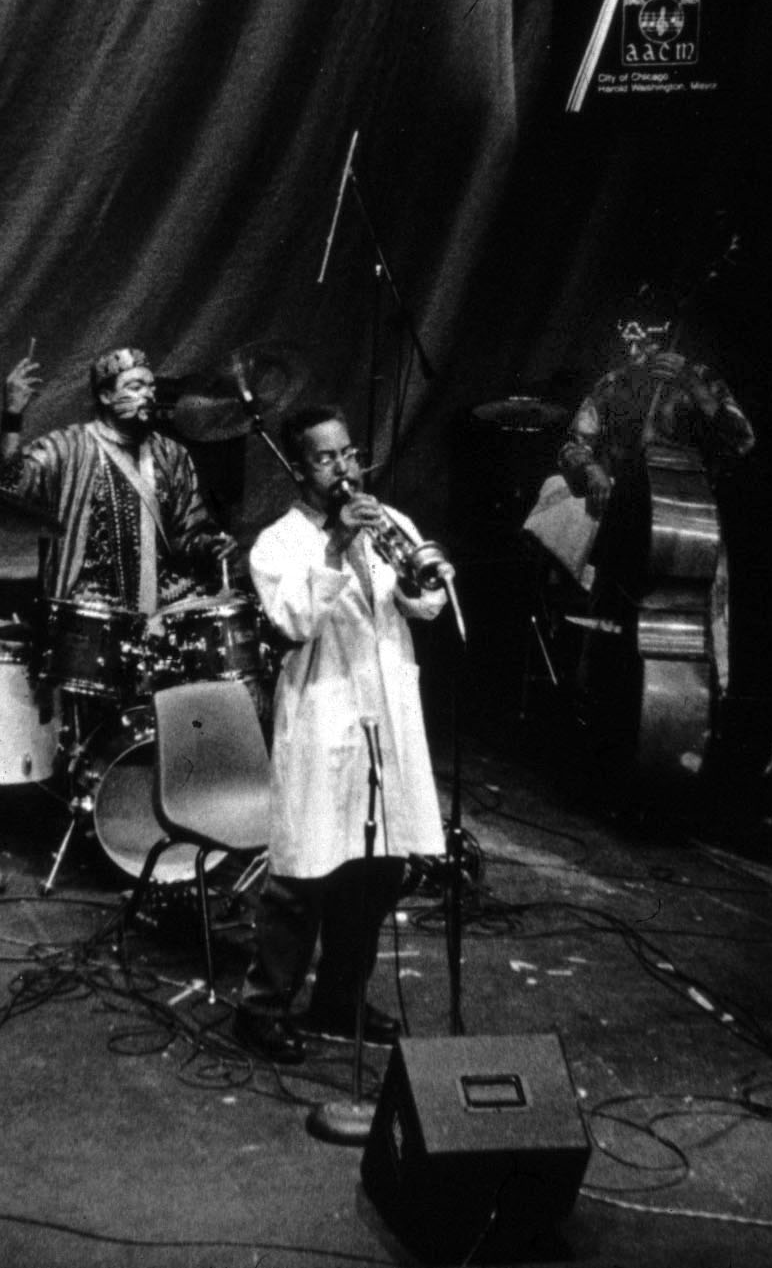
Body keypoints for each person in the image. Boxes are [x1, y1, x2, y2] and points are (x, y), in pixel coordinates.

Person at [233, 405, 448, 1063]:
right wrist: (333, 547)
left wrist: (418, 570)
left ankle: (338, 998)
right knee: (304, 872)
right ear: (298, 469)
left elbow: (428, 602)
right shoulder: (277, 542)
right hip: (323, 715)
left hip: (386, 712)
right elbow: (294, 620)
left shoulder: (391, 522)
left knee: (380, 866)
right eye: (326, 458)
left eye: (349, 453)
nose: (344, 467)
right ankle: (261, 1009)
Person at [524, 294, 756, 591]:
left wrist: (695, 389)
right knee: (557, 498)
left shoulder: (700, 379)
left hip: (679, 518)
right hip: (616, 512)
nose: (642, 350)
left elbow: (742, 441)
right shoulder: (613, 382)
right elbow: (574, 445)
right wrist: (591, 467)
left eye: (650, 340)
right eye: (635, 341)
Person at [0, 344, 236, 614]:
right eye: (136, 386)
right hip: (87, 607)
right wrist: (11, 416)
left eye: (151, 387)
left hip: (164, 605)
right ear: (106, 395)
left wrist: (212, 546)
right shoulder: (66, 447)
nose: (149, 395)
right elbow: (7, 489)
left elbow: (189, 532)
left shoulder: (172, 454)